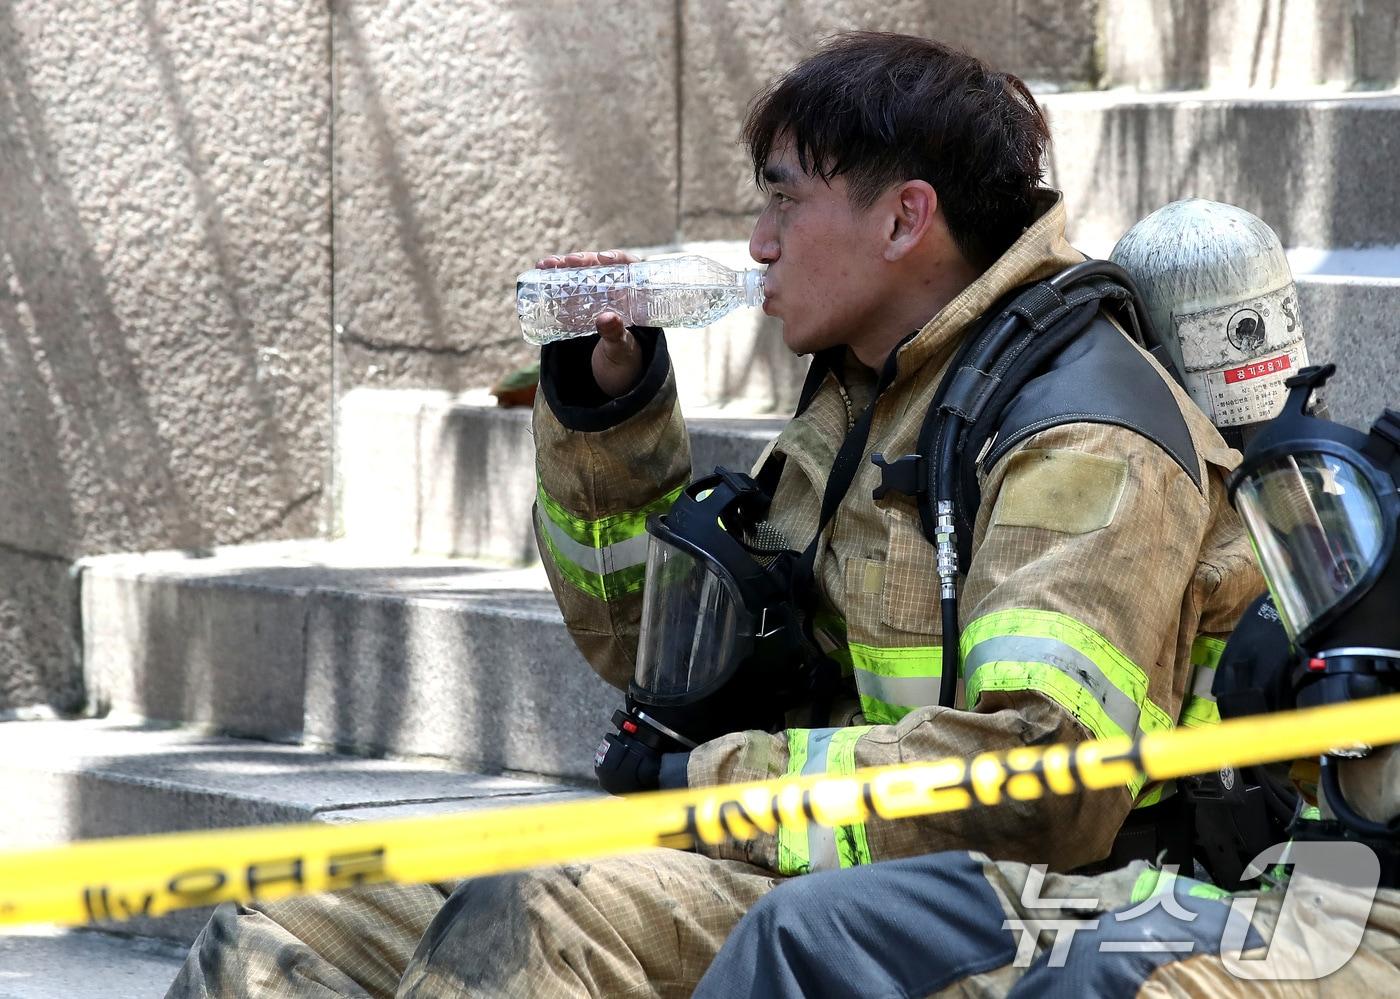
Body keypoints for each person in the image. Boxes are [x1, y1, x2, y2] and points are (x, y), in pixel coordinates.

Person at [166, 32, 1261, 998]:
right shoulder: (864, 393)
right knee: (285, 931)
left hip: (1016, 914)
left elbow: (1037, 786)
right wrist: (610, 419)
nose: (755, 242)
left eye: (783, 198)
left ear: (903, 218)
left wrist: (705, 785)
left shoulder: (1076, 438)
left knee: (542, 912)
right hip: (806, 864)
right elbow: (653, 654)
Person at [692, 370, 1400, 997]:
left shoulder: (1110, 436)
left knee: (1112, 969)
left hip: (1356, 924)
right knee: (807, 926)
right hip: (1274, 897)